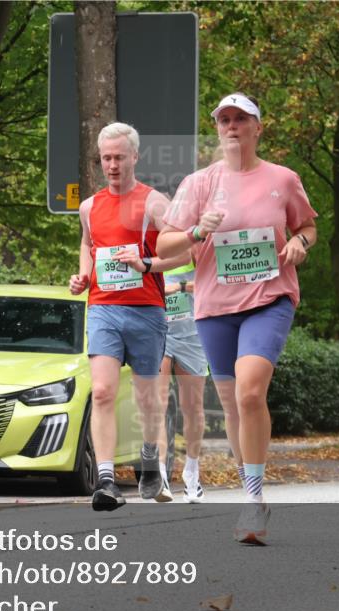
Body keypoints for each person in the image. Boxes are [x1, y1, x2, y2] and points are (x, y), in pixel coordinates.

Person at [157, 93, 317, 543]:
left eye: (240, 119)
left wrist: (300, 244)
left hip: (270, 297)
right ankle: (254, 494)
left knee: (250, 393)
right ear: (217, 128)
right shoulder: (199, 184)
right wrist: (195, 230)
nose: (231, 126)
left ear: (257, 128)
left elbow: (307, 226)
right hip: (215, 306)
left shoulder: (283, 179)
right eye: (224, 120)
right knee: (231, 404)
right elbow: (166, 245)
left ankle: (252, 501)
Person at [69, 122, 190, 511]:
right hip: (102, 307)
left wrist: (147, 263)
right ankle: (106, 480)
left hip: (146, 311)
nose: (113, 165)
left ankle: (151, 459)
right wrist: (83, 275)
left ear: (135, 157)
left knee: (148, 398)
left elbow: (186, 253)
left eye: (119, 157)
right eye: (106, 158)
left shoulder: (156, 203)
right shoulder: (89, 207)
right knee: (102, 391)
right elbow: (88, 244)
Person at [158, 261, 209, 502]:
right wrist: (181, 286)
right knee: (157, 402)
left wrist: (184, 286)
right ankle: (160, 475)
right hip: (160, 331)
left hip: (193, 335)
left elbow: (212, 283)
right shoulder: (155, 244)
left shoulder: (197, 243)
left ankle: (192, 473)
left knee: (192, 407)